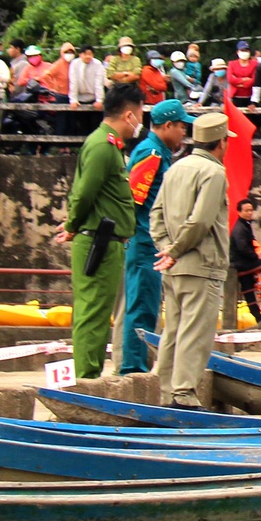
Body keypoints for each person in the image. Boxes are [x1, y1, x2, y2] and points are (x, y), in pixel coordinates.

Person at [57, 84, 146, 381]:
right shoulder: (101, 146)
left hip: (107, 240)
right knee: (92, 314)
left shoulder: (109, 146)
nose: (140, 122)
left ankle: (89, 376)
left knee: (97, 312)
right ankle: (87, 379)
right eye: (140, 114)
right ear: (129, 114)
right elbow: (83, 194)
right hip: (98, 239)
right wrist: (72, 226)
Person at [147, 110, 231, 408]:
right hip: (201, 264)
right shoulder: (213, 173)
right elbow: (200, 221)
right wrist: (176, 249)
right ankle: (183, 393)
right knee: (196, 333)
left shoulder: (176, 168)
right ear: (221, 142)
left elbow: (155, 215)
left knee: (174, 330)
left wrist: (166, 248)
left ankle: (166, 391)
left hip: (174, 265)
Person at [119, 99, 192, 376]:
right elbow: (132, 200)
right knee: (141, 308)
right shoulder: (151, 154)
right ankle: (133, 370)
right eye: (182, 126)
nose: (184, 132)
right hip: (143, 241)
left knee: (147, 307)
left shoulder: (160, 153)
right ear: (168, 126)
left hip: (151, 242)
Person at [229, 198, 261, 321]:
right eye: (246, 211)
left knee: (248, 289)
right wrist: (256, 256)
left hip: (244, 260)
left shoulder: (245, 225)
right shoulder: (239, 228)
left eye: (251, 210)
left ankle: (257, 316)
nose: (250, 213)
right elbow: (243, 248)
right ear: (239, 212)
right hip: (242, 262)